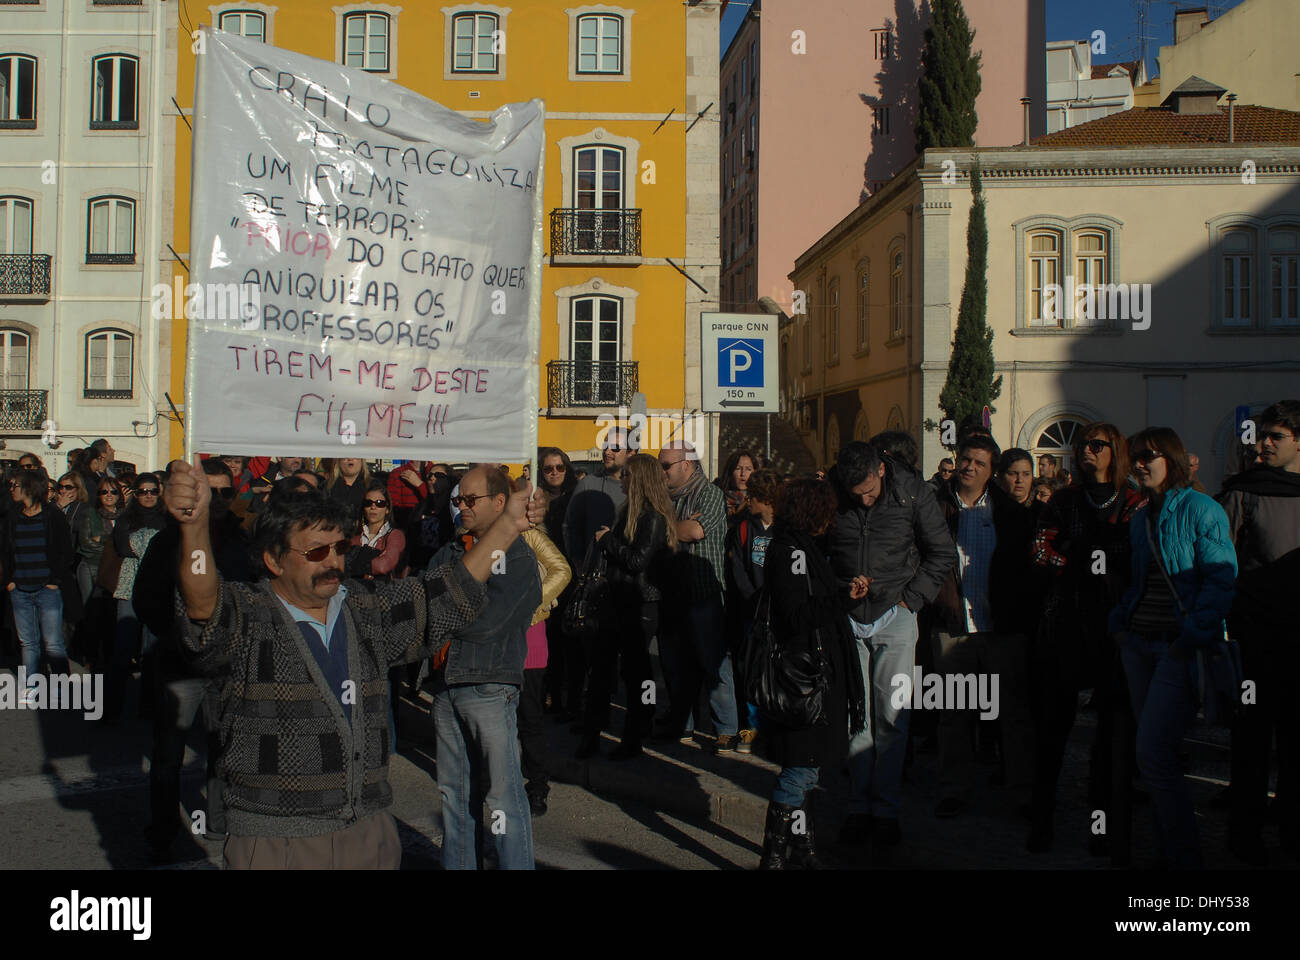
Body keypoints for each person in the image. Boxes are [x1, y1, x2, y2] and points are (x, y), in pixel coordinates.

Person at [163, 457, 541, 869]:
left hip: (368, 835)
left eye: (341, 548)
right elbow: (202, 607)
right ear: (273, 560)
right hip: (278, 840)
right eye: (316, 551)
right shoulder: (249, 615)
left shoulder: (364, 609)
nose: (333, 562)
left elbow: (446, 594)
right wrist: (193, 526)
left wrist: (507, 526)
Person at [1109, 427, 1237, 870]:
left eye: (1150, 456)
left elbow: (1221, 579)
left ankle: (1183, 855)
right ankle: (1171, 847)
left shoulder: (1203, 509)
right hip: (1138, 646)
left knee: (1153, 753)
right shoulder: (1144, 514)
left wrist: (1191, 639)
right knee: (1156, 755)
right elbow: (1140, 582)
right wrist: (1120, 625)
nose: (1140, 463)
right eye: (1136, 456)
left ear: (1174, 460)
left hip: (1173, 650)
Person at [827, 441, 956, 849]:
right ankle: (857, 807)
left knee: (892, 719)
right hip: (849, 616)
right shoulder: (832, 491)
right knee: (857, 717)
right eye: (855, 495)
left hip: (897, 614)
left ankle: (886, 811)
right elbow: (815, 551)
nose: (863, 501)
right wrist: (838, 587)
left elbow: (941, 552)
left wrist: (911, 599)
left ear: (881, 470)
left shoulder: (913, 492)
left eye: (867, 491)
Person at [1028, 422, 1145, 855]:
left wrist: (1087, 561)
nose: (1086, 451)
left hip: (1112, 631)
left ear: (1115, 452)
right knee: (1053, 731)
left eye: (1097, 445)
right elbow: (1040, 550)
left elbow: (1136, 561)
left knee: (1110, 740)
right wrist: (1078, 565)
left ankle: (1102, 828)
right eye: (1083, 445)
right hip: (1065, 625)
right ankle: (1041, 820)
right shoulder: (1064, 500)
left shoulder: (1132, 503)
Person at [425, 466, 542, 870]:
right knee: (454, 796)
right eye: (458, 500)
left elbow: (490, 621)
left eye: (469, 500)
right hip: (444, 684)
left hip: (489, 685)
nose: (461, 507)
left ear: (499, 502)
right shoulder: (450, 551)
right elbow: (425, 605)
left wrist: (442, 619)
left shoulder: (518, 556)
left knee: (502, 797)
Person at [137, 459, 254, 863]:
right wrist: (177, 634)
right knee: (168, 754)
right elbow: (145, 599)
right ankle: (163, 833)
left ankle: (219, 823)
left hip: (227, 665)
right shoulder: (168, 542)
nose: (219, 500)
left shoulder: (241, 542)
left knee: (224, 751)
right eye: (213, 491)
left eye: (227, 493)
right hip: (180, 663)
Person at [759, 477, 868, 869]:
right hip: (804, 681)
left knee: (808, 770)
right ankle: (772, 858)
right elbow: (797, 615)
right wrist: (843, 599)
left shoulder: (802, 547)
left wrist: (840, 592)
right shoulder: (789, 550)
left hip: (814, 677)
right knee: (800, 770)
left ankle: (802, 850)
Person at [930, 435, 1037, 819]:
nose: (969, 467)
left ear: (991, 471)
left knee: (1013, 713)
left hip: (1000, 625)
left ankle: (1022, 791)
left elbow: (1025, 572)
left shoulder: (1009, 512)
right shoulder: (936, 505)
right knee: (954, 712)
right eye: (965, 460)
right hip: (954, 624)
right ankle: (953, 789)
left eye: (979, 462)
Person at [1220, 399, 1300, 864]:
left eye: (1276, 437)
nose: (1264, 444)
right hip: (1254, 640)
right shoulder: (1243, 492)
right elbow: (1220, 558)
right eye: (1262, 436)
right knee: (1250, 742)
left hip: (1298, 642)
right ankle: (1244, 835)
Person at [579, 454, 675, 761]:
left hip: (640, 605)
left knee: (638, 675)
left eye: (627, 476)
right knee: (601, 671)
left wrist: (608, 541)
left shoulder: (653, 518)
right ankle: (591, 734)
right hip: (616, 601)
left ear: (639, 480)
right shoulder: (629, 513)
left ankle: (634, 735)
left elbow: (637, 561)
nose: (621, 480)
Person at [654, 440, 738, 751]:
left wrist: (663, 526)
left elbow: (695, 531)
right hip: (673, 593)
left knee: (713, 664)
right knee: (676, 666)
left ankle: (726, 728)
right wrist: (675, 526)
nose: (662, 472)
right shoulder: (666, 497)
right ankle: (682, 725)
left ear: (687, 465)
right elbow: (680, 529)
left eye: (667, 466)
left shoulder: (710, 493)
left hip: (705, 593)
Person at [560, 428, 635, 724]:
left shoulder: (636, 488)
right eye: (606, 446)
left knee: (621, 654)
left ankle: (620, 712)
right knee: (582, 648)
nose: (608, 451)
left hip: (623, 580)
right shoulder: (588, 484)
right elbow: (570, 526)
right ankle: (578, 708)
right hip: (589, 579)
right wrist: (577, 561)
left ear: (631, 453)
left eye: (616, 447)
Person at [3, 468, 79, 704]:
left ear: (28, 488)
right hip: (20, 587)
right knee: (28, 642)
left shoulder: (52, 516)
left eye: (15, 485)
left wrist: (54, 581)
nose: (11, 489)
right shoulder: (11, 517)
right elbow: (5, 552)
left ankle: (60, 686)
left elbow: (66, 551)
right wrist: (10, 581)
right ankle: (31, 685)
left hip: (47, 587)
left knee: (53, 641)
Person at [104, 472, 168, 723]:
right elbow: (123, 547)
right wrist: (152, 549)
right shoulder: (125, 519)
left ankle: (149, 707)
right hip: (130, 587)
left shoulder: (167, 520)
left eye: (153, 491)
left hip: (157, 590)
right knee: (122, 650)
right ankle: (111, 708)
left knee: (152, 653)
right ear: (135, 493)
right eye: (143, 491)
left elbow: (168, 551)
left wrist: (144, 548)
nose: (148, 496)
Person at [725, 468, 781, 755]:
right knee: (749, 672)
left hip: (780, 614)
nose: (748, 501)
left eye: (752, 497)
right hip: (752, 612)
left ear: (763, 498)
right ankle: (751, 727)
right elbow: (738, 571)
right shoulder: (745, 528)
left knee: (778, 672)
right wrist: (754, 601)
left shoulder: (786, 528)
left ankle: (775, 731)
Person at [518, 520, 570, 812]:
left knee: (530, 717)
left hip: (530, 634)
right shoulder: (484, 535)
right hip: (496, 640)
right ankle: (498, 780)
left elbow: (561, 570)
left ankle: (537, 784)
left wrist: (530, 602)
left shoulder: (532, 536)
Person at [536, 447, 578, 717]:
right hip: (542, 575)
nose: (554, 473)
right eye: (549, 468)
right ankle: (548, 694)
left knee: (571, 642)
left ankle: (572, 700)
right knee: (547, 640)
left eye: (559, 467)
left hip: (571, 574)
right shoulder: (535, 498)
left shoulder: (576, 496)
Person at [348, 480, 406, 580]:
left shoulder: (395, 535)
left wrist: (355, 563)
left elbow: (383, 566)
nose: (373, 507)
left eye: (380, 503)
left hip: (382, 592)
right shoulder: (354, 536)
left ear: (387, 509)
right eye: (368, 503)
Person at [716, 448, 761, 518]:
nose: (743, 474)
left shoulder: (759, 501)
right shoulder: (716, 498)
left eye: (748, 469)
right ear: (730, 471)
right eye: (738, 468)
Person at [387, 461, 430, 530]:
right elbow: (393, 508)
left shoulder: (436, 472)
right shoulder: (398, 473)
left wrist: (420, 485)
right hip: (406, 529)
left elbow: (439, 502)